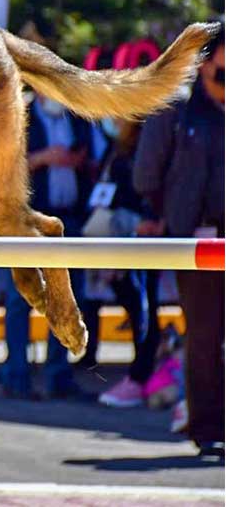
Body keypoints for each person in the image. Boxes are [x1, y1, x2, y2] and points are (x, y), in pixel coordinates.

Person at [133, 25, 224, 457]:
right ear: (206, 63)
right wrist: (160, 215)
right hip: (197, 238)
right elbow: (146, 174)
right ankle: (207, 427)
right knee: (204, 335)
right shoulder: (176, 108)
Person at [1, 92, 93, 400]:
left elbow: (92, 156)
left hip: (69, 219)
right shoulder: (16, 113)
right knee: (19, 300)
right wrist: (42, 159)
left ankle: (58, 375)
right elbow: (2, 168)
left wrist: (78, 161)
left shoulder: (76, 116)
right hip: (26, 220)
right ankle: (17, 376)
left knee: (68, 297)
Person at [85, 118, 161, 408]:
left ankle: (140, 376)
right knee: (132, 303)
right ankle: (142, 371)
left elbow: (149, 189)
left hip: (139, 238)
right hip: (114, 238)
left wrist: (148, 220)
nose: (113, 119)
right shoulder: (116, 147)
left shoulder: (145, 146)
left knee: (143, 307)